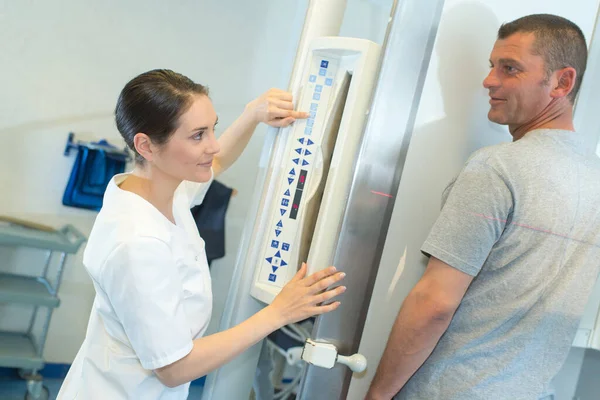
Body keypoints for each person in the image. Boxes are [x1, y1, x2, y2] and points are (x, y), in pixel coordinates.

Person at [57, 69, 346, 399]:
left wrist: (253, 115)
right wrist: (279, 312)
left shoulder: (159, 189)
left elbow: (216, 162)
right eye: (198, 135)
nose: (213, 144)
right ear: (146, 145)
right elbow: (174, 368)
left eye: (213, 129)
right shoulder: (137, 243)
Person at [366, 14, 600, 400]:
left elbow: (435, 303)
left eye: (510, 69)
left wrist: (377, 395)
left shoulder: (496, 167)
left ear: (563, 81)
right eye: (492, 67)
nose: (489, 81)